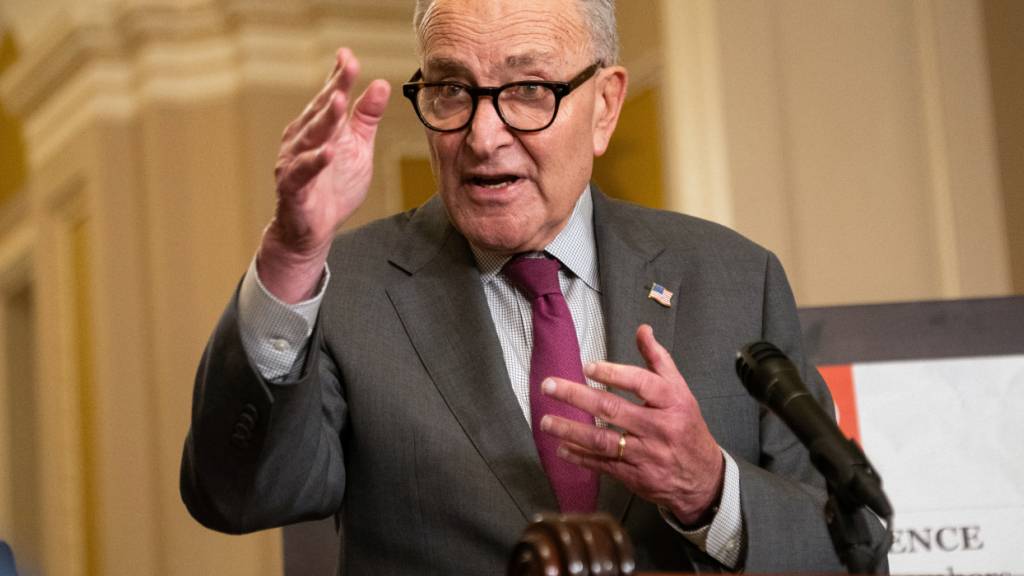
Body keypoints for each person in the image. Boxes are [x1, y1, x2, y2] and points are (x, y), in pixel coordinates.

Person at [181, 0, 884, 573]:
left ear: (605, 106)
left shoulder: (733, 278)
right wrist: (293, 260)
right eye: (452, 90)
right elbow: (233, 495)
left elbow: (850, 549)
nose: (483, 136)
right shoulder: (348, 290)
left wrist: (709, 491)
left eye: (527, 91)